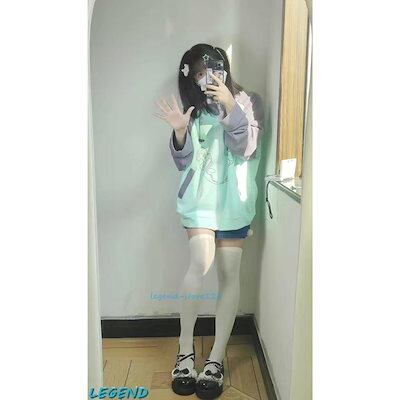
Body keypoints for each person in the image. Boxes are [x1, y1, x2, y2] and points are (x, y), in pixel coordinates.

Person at [154, 43, 264, 399]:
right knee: (199, 264)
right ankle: (185, 350)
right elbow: (184, 162)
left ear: (224, 68)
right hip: (200, 203)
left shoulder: (249, 101)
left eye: (212, 70)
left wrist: (231, 106)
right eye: (199, 73)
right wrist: (180, 132)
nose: (206, 78)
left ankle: (215, 358)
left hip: (234, 203)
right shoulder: (194, 108)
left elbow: (246, 148)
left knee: (230, 273)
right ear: (191, 77)